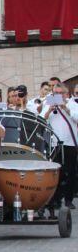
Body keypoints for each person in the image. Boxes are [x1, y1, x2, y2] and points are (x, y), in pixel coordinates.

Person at [42, 81, 78, 210]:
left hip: (70, 142)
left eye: (60, 93)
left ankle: (68, 199)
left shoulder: (73, 104)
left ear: (66, 93)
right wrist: (49, 111)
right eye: (55, 93)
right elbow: (41, 119)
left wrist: (65, 108)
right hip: (55, 143)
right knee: (57, 172)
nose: (58, 95)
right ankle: (56, 199)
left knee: (71, 171)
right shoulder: (48, 103)